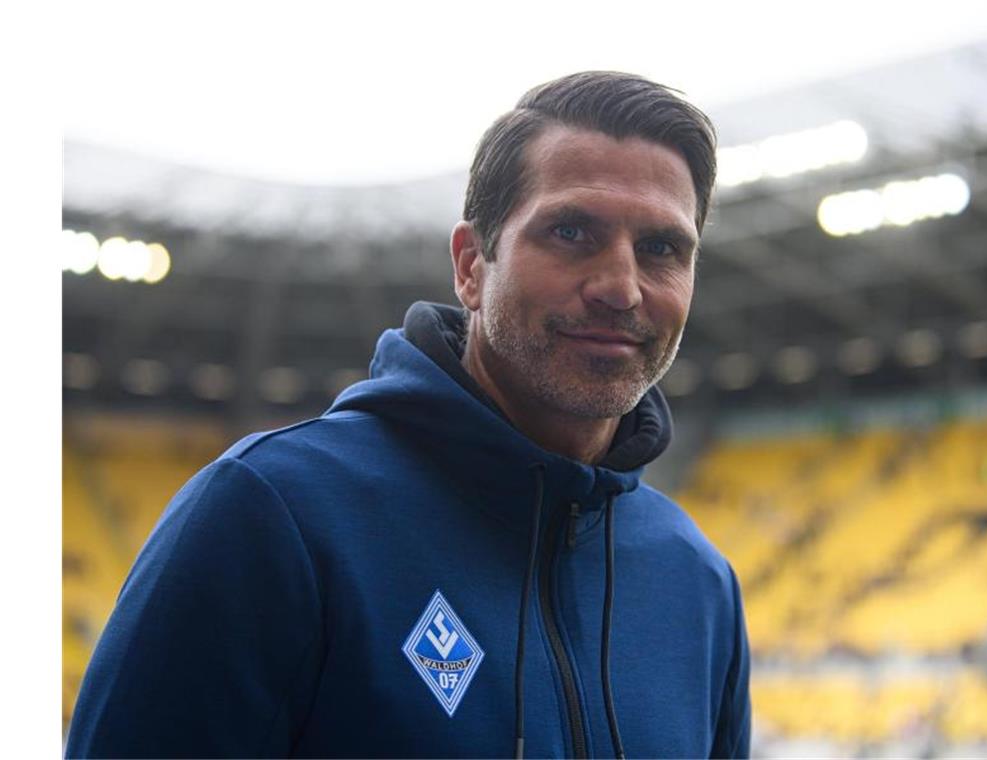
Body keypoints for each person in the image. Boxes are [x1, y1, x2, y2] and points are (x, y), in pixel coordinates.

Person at [66, 71, 752, 759]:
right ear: (470, 267)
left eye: (662, 249)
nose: (620, 287)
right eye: (571, 232)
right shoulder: (271, 515)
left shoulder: (700, 585)